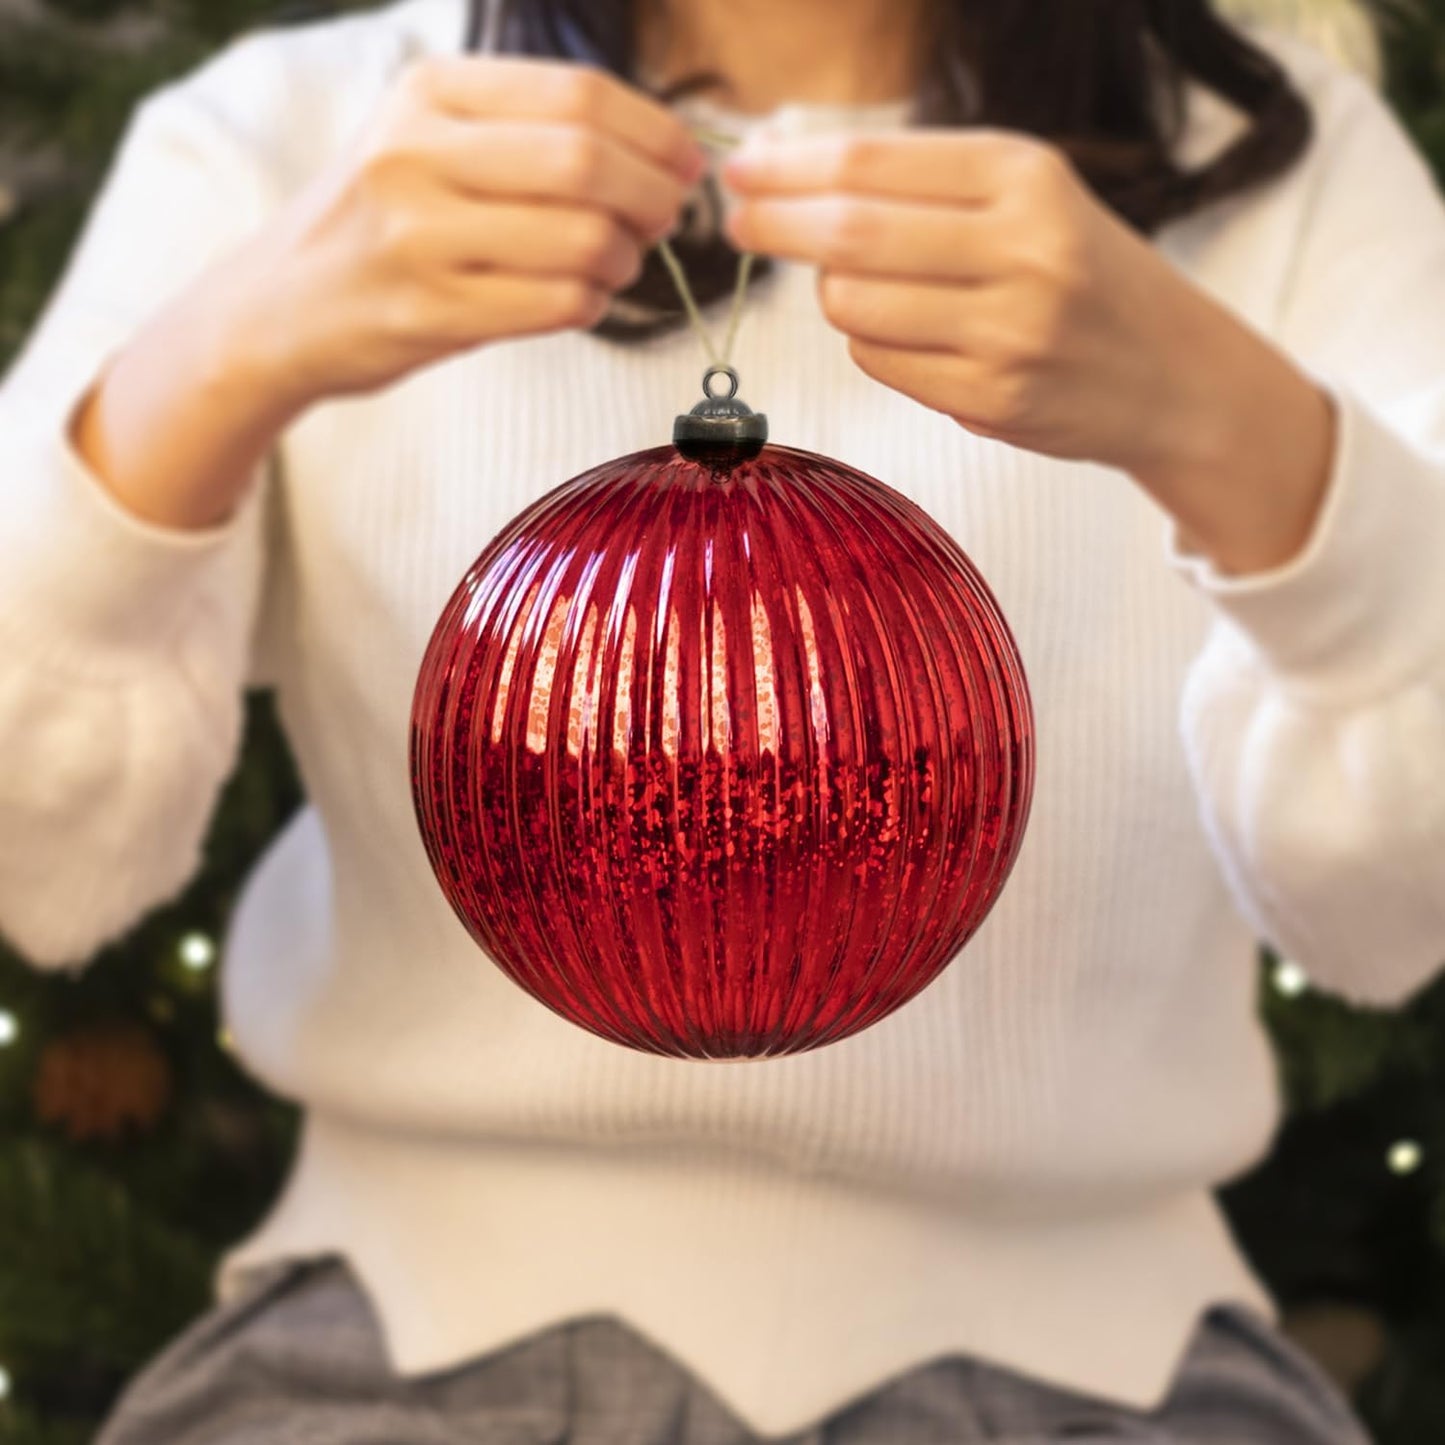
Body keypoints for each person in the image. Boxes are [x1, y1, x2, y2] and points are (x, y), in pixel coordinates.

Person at [2, 0, 1442, 1438]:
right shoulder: (297, 141)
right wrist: (210, 366)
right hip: (393, 1347)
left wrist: (1244, 433)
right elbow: (40, 863)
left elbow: (1396, 910)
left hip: (1101, 1372)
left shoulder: (1283, 170)